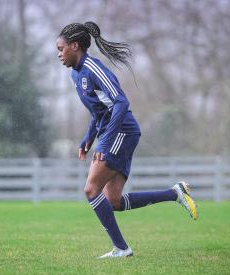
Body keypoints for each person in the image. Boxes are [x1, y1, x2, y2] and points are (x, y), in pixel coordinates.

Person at [56, 22, 198, 259]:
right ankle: (175, 193)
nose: (59, 54)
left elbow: (121, 102)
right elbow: (99, 111)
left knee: (91, 189)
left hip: (122, 131)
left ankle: (122, 248)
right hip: (117, 133)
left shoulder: (92, 68)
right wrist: (88, 139)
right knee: (113, 201)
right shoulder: (76, 74)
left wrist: (105, 142)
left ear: (75, 45)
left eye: (61, 49)